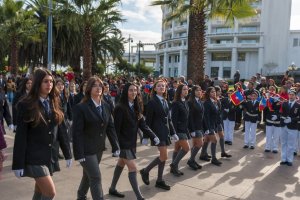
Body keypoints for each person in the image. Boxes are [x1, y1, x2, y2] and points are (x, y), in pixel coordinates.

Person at [12, 68, 72, 200]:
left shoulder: (54, 102)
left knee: (39, 191)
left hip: (49, 157)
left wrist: (68, 154)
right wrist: (17, 164)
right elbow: (21, 136)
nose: (49, 84)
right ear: (38, 83)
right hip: (33, 157)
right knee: (50, 193)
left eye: (51, 81)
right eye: (45, 81)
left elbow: (61, 130)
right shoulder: (25, 104)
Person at [72, 76, 120, 200]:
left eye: (100, 86)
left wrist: (115, 146)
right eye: (95, 85)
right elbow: (77, 133)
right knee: (96, 177)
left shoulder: (106, 106)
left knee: (88, 176)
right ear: (88, 89)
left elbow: (110, 127)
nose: (98, 88)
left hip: (98, 148)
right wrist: (79, 153)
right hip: (85, 150)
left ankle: (81, 196)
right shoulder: (81, 107)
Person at [109, 82, 159, 200]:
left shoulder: (136, 106)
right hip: (124, 144)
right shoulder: (120, 108)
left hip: (131, 143)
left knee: (121, 164)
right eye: (131, 90)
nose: (133, 92)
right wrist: (116, 146)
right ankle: (139, 197)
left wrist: (153, 136)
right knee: (133, 168)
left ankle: (112, 188)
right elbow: (115, 129)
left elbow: (143, 125)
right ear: (126, 92)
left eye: (135, 90)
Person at [140, 79, 177, 190]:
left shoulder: (165, 101)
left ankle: (159, 180)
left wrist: (173, 132)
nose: (162, 87)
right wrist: (146, 136)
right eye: (159, 86)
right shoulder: (152, 102)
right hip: (157, 133)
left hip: (165, 132)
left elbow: (169, 119)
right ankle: (145, 171)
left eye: (163, 86)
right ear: (155, 89)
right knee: (164, 156)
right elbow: (148, 121)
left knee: (163, 157)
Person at [169, 84, 191, 175]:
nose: (186, 91)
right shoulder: (175, 103)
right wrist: (173, 133)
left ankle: (174, 169)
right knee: (186, 148)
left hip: (184, 128)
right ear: (179, 91)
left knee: (177, 149)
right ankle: (174, 165)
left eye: (187, 89)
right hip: (178, 130)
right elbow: (173, 119)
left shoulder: (185, 101)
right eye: (184, 89)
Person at [200, 87, 222, 166]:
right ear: (208, 93)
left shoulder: (215, 101)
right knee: (214, 140)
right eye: (212, 92)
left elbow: (217, 113)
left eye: (214, 92)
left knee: (207, 140)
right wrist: (208, 128)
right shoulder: (207, 103)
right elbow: (206, 117)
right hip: (209, 125)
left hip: (214, 124)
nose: (214, 93)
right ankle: (214, 159)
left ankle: (202, 154)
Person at [280, 88, 300, 166]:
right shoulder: (284, 103)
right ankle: (283, 159)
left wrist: (291, 119)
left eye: (292, 95)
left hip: (293, 126)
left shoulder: (298, 105)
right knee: (283, 143)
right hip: (284, 125)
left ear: (295, 96)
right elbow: (281, 113)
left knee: (291, 144)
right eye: (290, 95)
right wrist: (283, 119)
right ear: (288, 95)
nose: (291, 96)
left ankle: (289, 160)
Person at [187, 85, 205, 170]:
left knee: (194, 145)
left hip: (200, 126)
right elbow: (190, 117)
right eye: (197, 90)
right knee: (200, 144)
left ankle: (192, 160)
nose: (199, 92)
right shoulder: (190, 102)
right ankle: (190, 160)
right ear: (193, 92)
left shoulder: (200, 101)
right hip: (194, 127)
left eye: (200, 90)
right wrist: (192, 129)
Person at [264, 87, 281, 153]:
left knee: (276, 136)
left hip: (277, 121)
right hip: (269, 120)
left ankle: (275, 148)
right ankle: (267, 147)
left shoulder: (280, 100)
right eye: (270, 90)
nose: (271, 91)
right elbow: (265, 110)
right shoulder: (267, 100)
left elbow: (283, 111)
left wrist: (277, 116)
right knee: (268, 135)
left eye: (273, 90)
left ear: (275, 91)